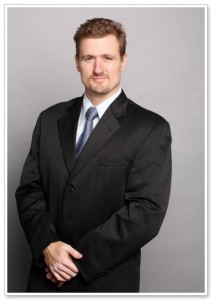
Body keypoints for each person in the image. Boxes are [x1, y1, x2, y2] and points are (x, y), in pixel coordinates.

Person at [16, 18, 172, 293]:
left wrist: (73, 263)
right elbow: (30, 190)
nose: (98, 68)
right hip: (44, 280)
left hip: (105, 283)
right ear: (77, 61)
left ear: (123, 60)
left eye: (107, 57)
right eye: (89, 57)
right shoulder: (49, 119)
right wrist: (47, 246)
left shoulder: (150, 128)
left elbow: (146, 212)